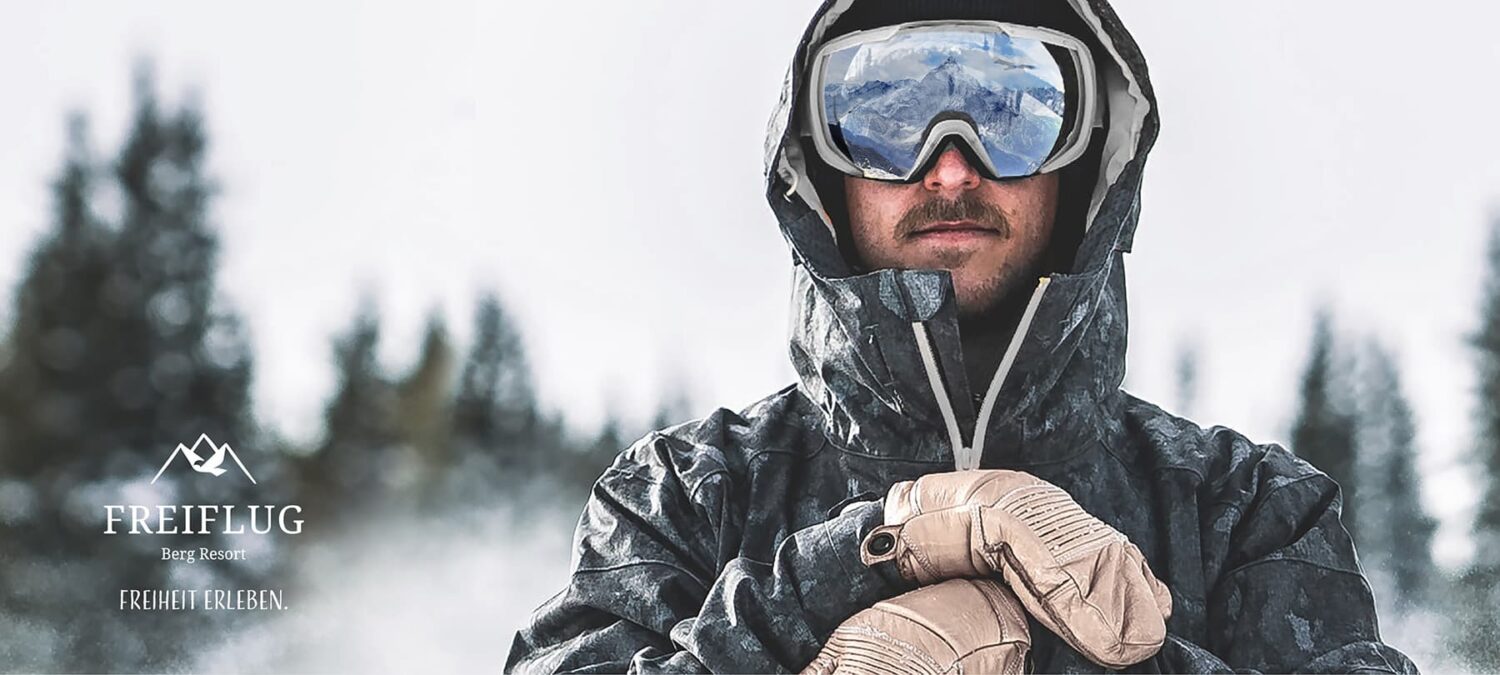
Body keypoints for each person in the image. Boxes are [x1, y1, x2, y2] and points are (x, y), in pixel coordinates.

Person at [508, 0, 1418, 672]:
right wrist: (865, 558)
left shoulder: (1246, 512)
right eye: (888, 116)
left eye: (1012, 113)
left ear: (1089, 157)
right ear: (821, 164)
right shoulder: (680, 499)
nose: (949, 164)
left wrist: (1042, 650)